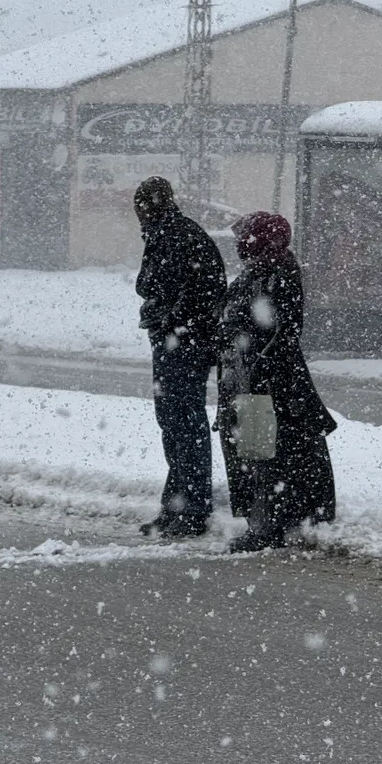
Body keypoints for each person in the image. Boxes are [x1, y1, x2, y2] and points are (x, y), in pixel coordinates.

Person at [216, 211, 337, 553]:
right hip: (257, 377)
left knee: (263, 454)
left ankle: (267, 524)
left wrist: (257, 367)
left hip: (265, 381)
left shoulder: (276, 272)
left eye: (247, 238)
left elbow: (281, 330)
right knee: (263, 452)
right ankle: (276, 518)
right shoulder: (264, 270)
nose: (240, 245)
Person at [134, 176, 226, 538]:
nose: (139, 215)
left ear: (149, 206)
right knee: (175, 422)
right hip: (179, 340)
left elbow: (189, 289)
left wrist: (173, 320)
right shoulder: (172, 232)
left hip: (182, 343)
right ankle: (177, 505)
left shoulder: (175, 236)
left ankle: (191, 507)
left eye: (141, 207)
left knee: (183, 423)